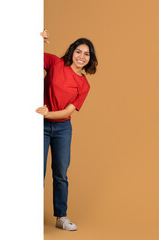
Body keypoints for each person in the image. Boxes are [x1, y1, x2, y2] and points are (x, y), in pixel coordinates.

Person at [36, 29, 98, 231]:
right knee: (36, 171)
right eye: (79, 51)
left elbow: (66, 112)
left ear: (90, 59)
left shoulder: (84, 85)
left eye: (86, 54)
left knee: (60, 173)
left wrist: (45, 114)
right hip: (40, 126)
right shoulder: (55, 63)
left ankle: (61, 217)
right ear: (72, 52)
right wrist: (38, 40)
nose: (82, 56)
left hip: (62, 128)